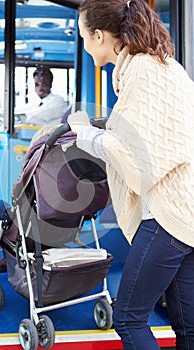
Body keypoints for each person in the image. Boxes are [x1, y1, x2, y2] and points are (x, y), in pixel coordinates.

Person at [67, 0, 194, 349]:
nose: (83, 44)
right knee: (188, 328)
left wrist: (84, 133)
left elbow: (133, 157)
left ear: (98, 35)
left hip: (166, 218)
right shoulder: (168, 68)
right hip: (188, 215)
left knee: (128, 318)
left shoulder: (140, 71)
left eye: (83, 36)